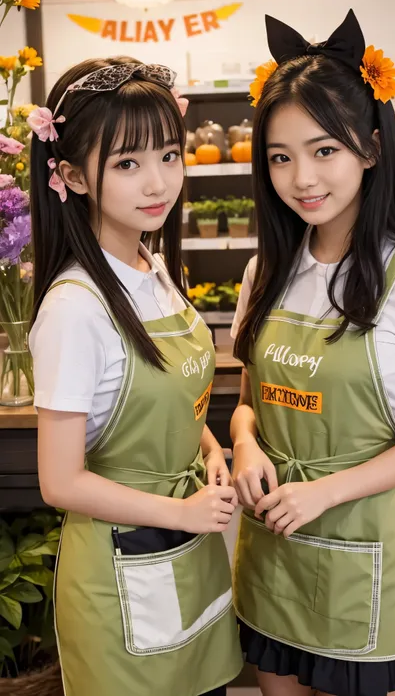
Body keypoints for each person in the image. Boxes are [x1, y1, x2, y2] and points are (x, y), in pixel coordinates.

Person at [230, 10, 395, 696]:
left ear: (370, 149)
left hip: (365, 554)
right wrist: (246, 446)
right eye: (280, 156)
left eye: (324, 150)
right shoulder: (265, 272)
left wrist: (323, 493)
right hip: (273, 551)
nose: (301, 176)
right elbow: (249, 405)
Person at [28, 56, 242, 696]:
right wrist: (188, 511)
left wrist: (207, 448)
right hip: (122, 581)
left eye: (169, 155)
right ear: (70, 175)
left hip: (187, 553)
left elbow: (177, 400)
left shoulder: (152, 269)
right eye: (127, 163)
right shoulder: (75, 308)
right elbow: (59, 481)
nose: (158, 182)